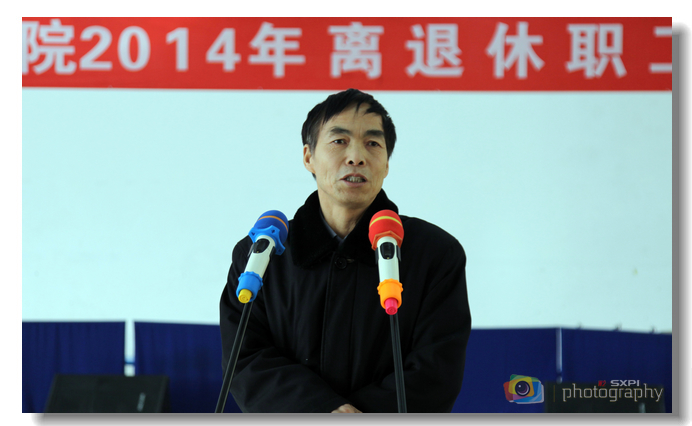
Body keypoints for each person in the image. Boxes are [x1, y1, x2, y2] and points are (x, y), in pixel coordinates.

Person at [219, 88, 471, 413]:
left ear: (386, 163)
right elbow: (245, 359)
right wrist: (324, 410)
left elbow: (437, 369)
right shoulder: (261, 255)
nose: (356, 157)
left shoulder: (434, 254)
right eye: (339, 141)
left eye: (373, 143)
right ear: (308, 157)